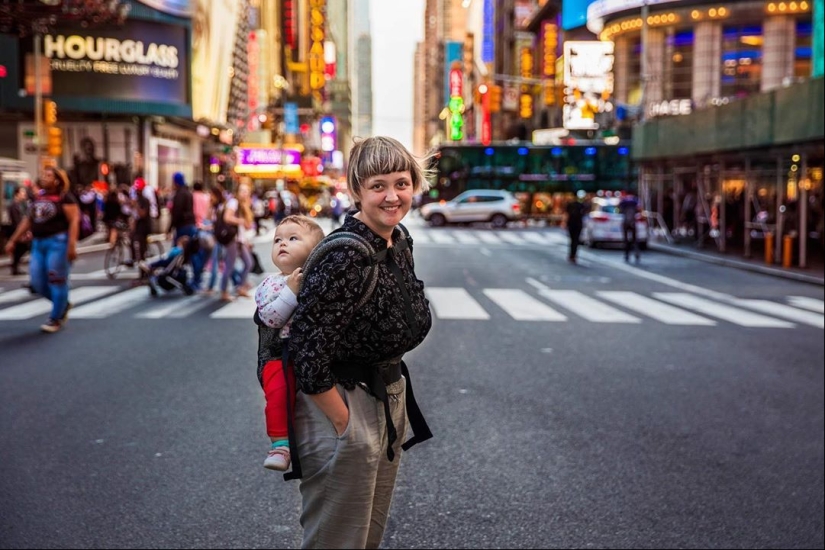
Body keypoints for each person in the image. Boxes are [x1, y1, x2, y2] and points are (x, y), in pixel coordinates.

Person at [287, 136, 433, 549]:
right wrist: (345, 426)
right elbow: (307, 352)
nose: (392, 196)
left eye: (402, 183)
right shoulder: (345, 255)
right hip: (346, 403)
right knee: (337, 539)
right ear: (356, 191)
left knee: (367, 535)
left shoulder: (398, 240)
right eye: (378, 186)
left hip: (387, 394)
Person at [254, 215, 325, 471]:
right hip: (280, 354)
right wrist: (291, 291)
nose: (282, 244)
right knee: (277, 392)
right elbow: (270, 318)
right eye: (277, 240)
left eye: (293, 238)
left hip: (312, 353)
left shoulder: (320, 278)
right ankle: (280, 444)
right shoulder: (270, 284)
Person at [4, 167, 79, 333]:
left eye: (49, 175)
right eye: (44, 175)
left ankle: (56, 318)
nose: (44, 177)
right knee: (37, 282)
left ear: (57, 180)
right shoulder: (39, 196)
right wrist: (13, 240)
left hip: (58, 242)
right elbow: (28, 220)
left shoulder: (65, 197)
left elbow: (74, 221)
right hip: (38, 243)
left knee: (56, 280)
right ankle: (62, 304)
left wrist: (72, 245)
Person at [219, 182, 254, 302]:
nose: (245, 193)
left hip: (240, 240)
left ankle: (241, 287)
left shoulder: (243, 205)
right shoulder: (233, 202)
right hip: (233, 239)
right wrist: (240, 221)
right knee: (230, 265)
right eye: (242, 190)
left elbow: (248, 225)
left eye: (247, 191)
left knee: (248, 263)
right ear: (237, 192)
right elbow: (227, 218)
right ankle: (224, 291)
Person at [6, 186, 31, 275]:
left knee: (20, 249)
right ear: (17, 194)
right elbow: (17, 220)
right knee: (23, 247)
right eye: (22, 192)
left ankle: (15, 267)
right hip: (15, 231)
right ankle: (15, 267)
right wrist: (22, 232)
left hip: (18, 231)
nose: (24, 194)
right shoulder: (14, 205)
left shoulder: (20, 204)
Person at [169, 172, 197, 242]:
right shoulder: (188, 193)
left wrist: (171, 227)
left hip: (182, 225)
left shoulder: (179, 194)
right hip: (190, 223)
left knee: (179, 248)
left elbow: (177, 211)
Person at [619, 189, 641, 263]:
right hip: (633, 222)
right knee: (634, 239)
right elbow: (638, 209)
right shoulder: (635, 201)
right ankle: (636, 253)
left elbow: (620, 209)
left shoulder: (624, 201)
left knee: (626, 239)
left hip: (626, 222)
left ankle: (627, 254)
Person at [565, 191, 587, 264]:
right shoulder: (581, 205)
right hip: (577, 224)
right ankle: (573, 255)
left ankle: (572, 255)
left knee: (573, 240)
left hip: (572, 224)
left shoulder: (571, 205)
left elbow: (567, 214)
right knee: (575, 240)